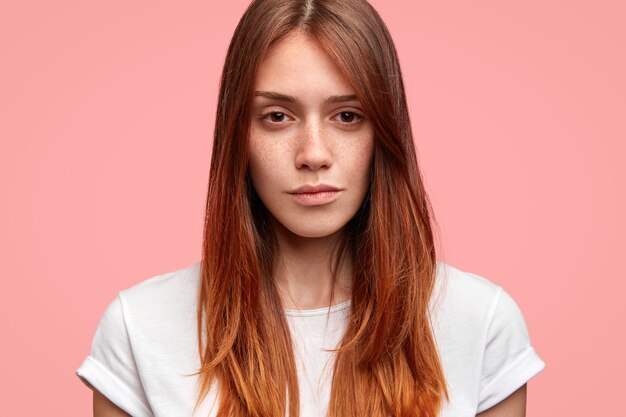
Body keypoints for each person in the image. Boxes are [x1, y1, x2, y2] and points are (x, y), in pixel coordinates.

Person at [76, 0, 545, 416]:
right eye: (278, 116)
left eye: (347, 116)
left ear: (383, 131)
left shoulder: (479, 321)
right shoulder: (140, 328)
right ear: (239, 135)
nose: (314, 153)